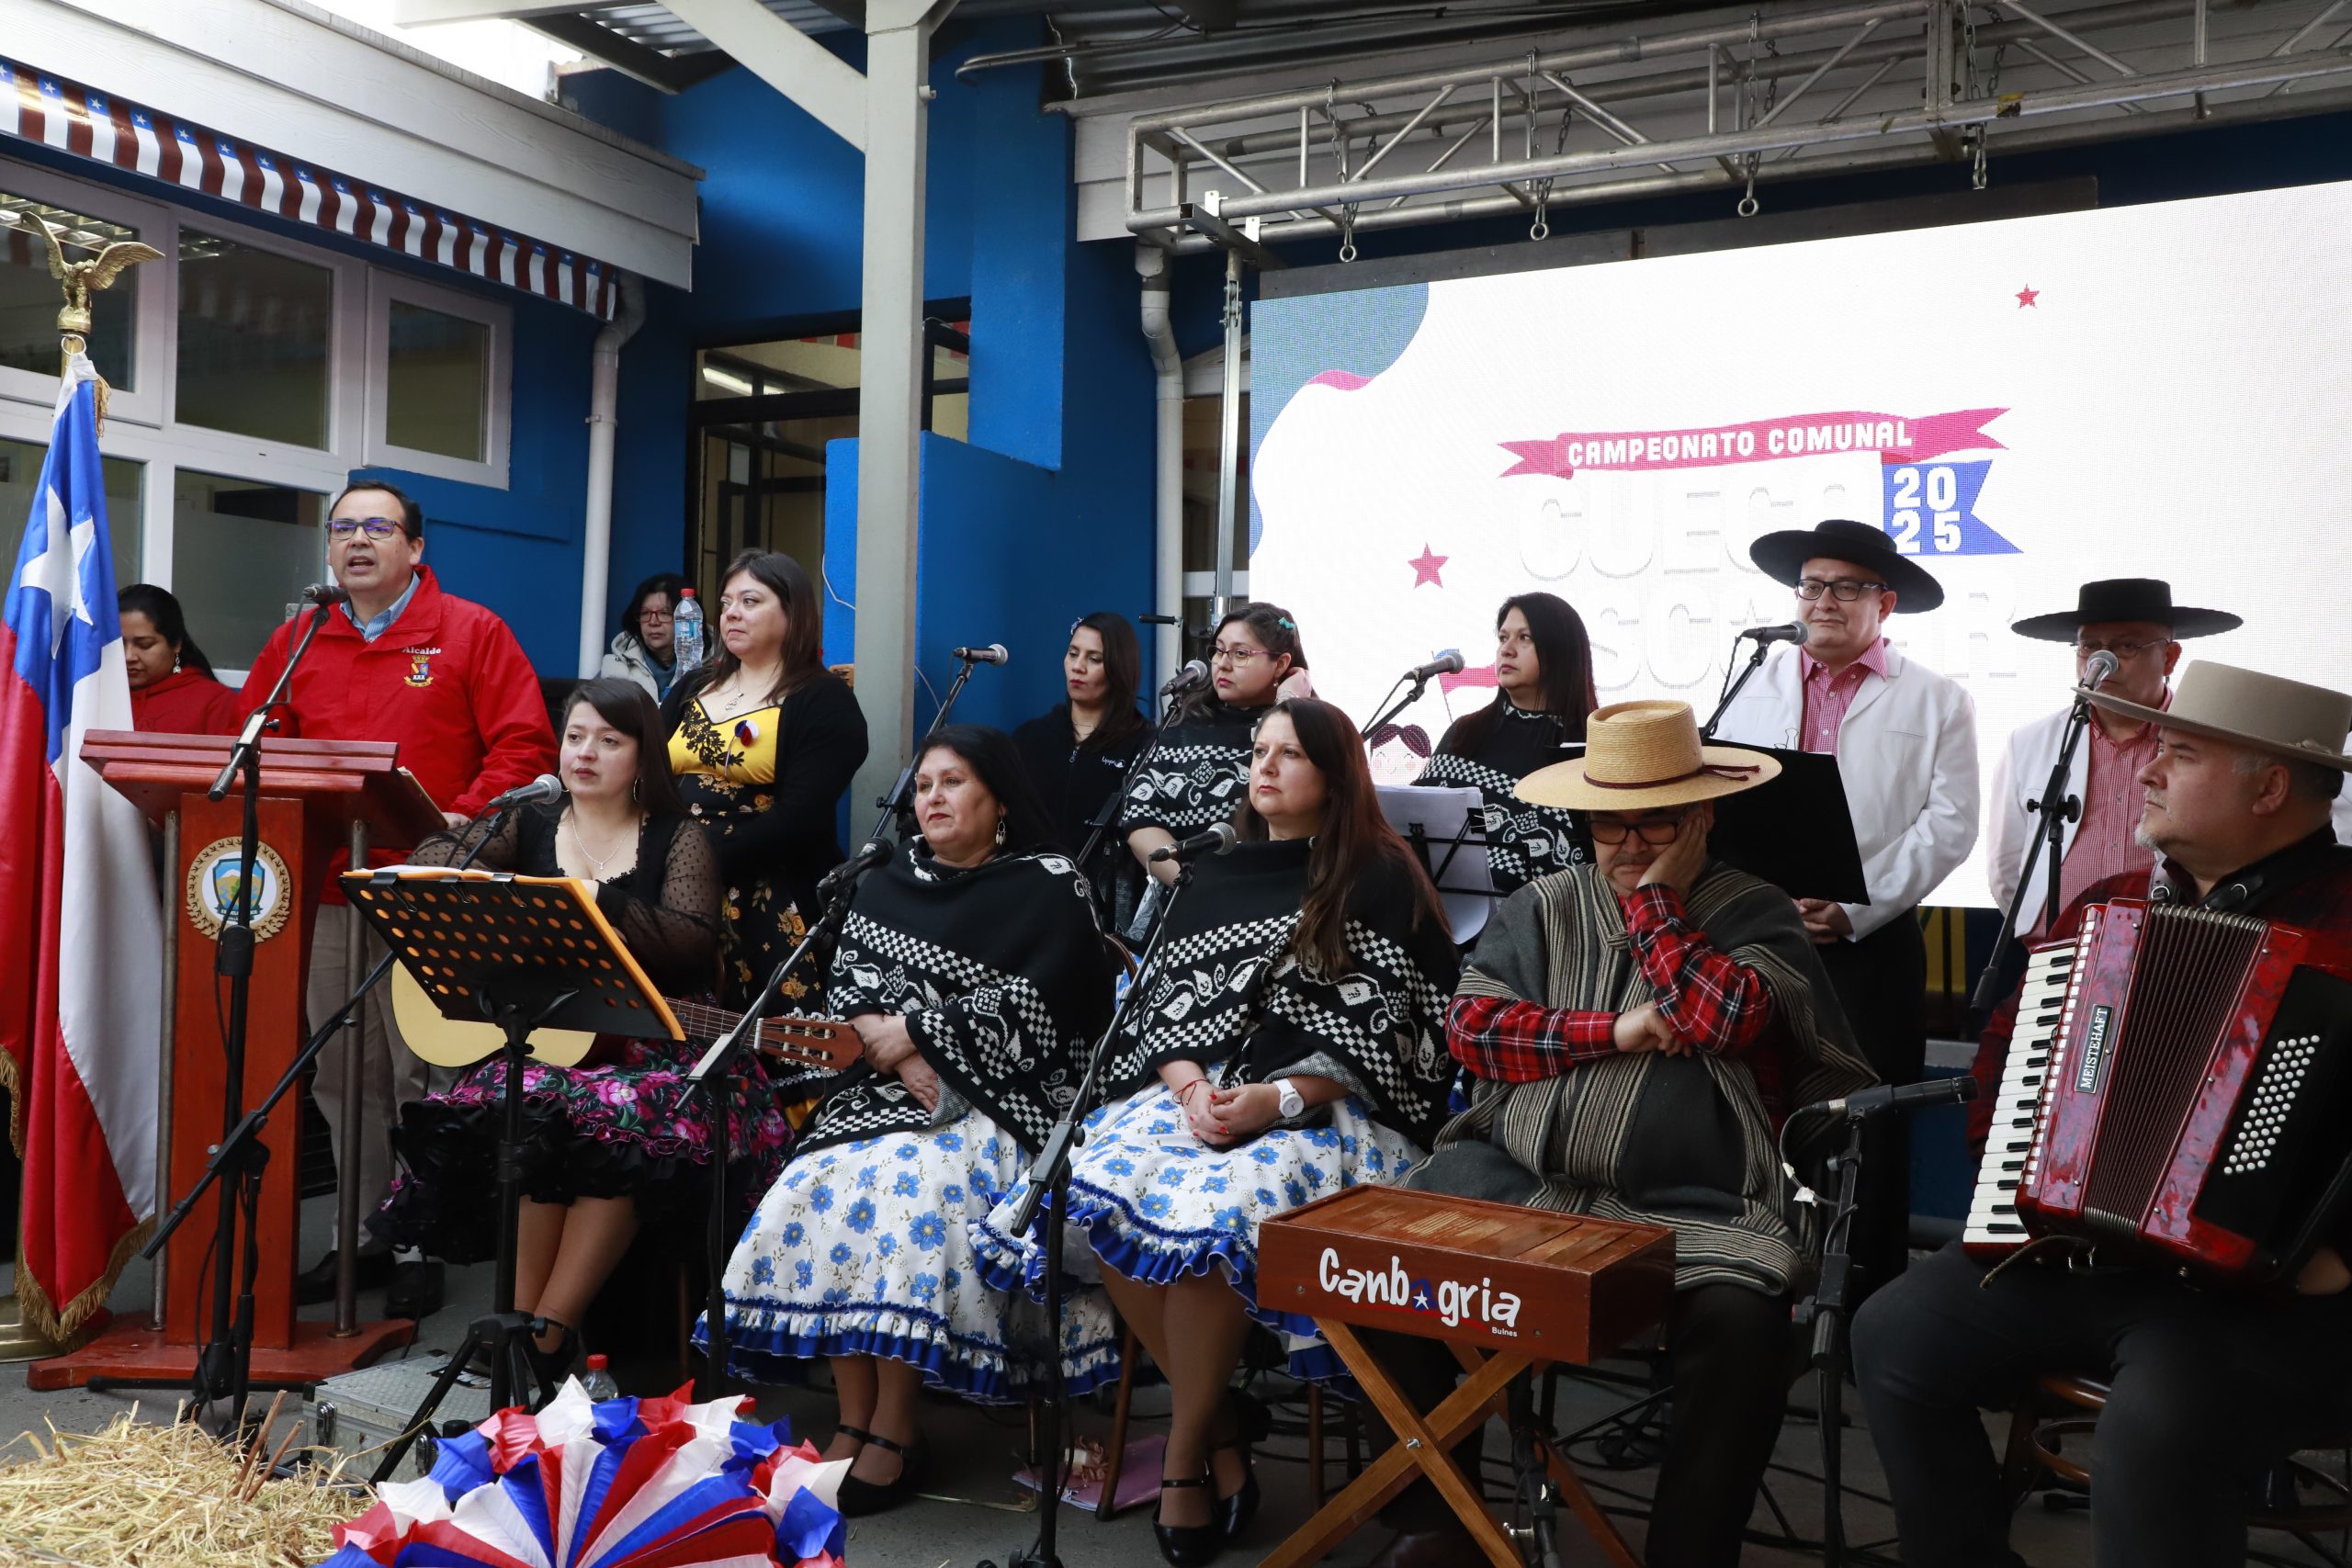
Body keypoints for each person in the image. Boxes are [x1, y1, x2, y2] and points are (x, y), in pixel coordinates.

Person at [1855, 660, 2352, 1568]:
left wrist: (2340, 1249)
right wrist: (2020, 1166)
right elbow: (2006, 1059)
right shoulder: (2111, 905)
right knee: (1893, 1333)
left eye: (2182, 753)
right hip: (2083, 1260)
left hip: (2272, 1303)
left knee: (2159, 1424)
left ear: (2270, 788)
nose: (2148, 770)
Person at [1358, 699, 1875, 1568]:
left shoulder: (1755, 910)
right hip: (1516, 1176)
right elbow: (1473, 1030)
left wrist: (1658, 906)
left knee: (1743, 1326)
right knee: (1379, 1268)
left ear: (1700, 816)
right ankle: (1443, 1521)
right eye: (1609, 825)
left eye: (1655, 823)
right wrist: (1615, 1030)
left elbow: (1715, 1017)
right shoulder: (1541, 904)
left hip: (1697, 1200)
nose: (1629, 844)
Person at [980, 698, 1459, 1568]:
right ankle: (1219, 1433)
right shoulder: (1215, 869)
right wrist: (1194, 1088)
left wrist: (1277, 1098)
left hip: (1324, 1115)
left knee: (1215, 1217)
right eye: (1259, 750)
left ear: (1335, 775)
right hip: (1196, 1099)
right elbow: (1160, 1014)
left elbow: (1398, 1034)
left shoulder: (1379, 876)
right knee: (1092, 1196)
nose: (1263, 766)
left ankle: (1183, 1456)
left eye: (1288, 754)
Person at [707, 726, 1118, 1516]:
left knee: (910, 1189)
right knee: (823, 1180)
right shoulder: (886, 879)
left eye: (953, 781)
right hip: (887, 1091)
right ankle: (853, 1416)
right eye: (923, 784)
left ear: (999, 797)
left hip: (1008, 1101)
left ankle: (896, 1426)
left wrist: (923, 1032)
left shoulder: (1048, 883)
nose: (932, 797)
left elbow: (1055, 1004)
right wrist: (896, 1052)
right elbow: (850, 993)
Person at [378, 679, 789, 1379]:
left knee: (613, 1121)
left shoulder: (678, 836)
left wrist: (597, 898)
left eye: (609, 740)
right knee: (534, 1109)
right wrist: (497, 894)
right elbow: (433, 860)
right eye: (575, 737)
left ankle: (545, 1333)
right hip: (550, 1040)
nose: (586, 753)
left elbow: (690, 943)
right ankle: (518, 1326)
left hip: (661, 1046)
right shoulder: (530, 820)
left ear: (643, 755)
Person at [240, 479, 557, 1310]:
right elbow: (257, 743)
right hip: (330, 886)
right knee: (344, 1071)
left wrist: (462, 819)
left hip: (428, 886)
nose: (357, 540)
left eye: (377, 527)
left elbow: (524, 748)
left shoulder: (470, 631)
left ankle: (425, 1236)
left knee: (425, 1069)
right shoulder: (299, 639)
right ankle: (360, 1235)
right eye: (343, 527)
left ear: (416, 548)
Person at [1710, 517, 1977, 1293]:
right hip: (1761, 938)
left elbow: (1951, 825)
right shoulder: (1752, 682)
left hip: (1871, 946)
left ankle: (1864, 1313)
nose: (1823, 600)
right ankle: (1753, 1293)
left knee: (1869, 1129)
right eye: (1812, 584)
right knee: (1754, 1115)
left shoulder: (1937, 699)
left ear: (1884, 603)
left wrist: (1856, 906)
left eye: (1845, 587)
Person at [662, 550, 867, 1009]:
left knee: (757, 1033)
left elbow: (799, 820)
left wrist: (696, 864)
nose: (732, 613)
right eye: (726, 602)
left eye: (750, 601)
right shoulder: (693, 686)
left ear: (793, 613)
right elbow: (646, 773)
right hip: (672, 881)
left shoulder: (823, 700)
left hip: (765, 887)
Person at [1987, 579, 2237, 939]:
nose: (2105, 662)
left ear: (2169, 657)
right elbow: (2006, 863)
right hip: (2056, 949)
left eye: (2128, 646)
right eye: (2089, 646)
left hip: (2171, 943)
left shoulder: (2208, 741)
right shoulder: (2030, 742)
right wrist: (2037, 935)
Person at [1119, 602, 1310, 896]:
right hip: (1186, 897)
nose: (1222, 663)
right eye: (1219, 651)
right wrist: (1195, 888)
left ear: (1281, 664)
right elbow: (1139, 817)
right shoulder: (1179, 726)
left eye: (1240, 653)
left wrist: (1288, 704)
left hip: (1273, 895)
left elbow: (1296, 816)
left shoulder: (1306, 731)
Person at [1415, 592, 1600, 894]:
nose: (1507, 650)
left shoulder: (1591, 748)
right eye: (1503, 638)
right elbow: (1420, 821)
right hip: (1446, 907)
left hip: (1548, 916)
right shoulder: (1465, 733)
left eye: (1524, 638)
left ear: (1561, 651)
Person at [1012, 612, 1156, 931]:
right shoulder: (1030, 737)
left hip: (1102, 917)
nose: (1078, 667)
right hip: (1026, 903)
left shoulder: (1145, 744)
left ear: (1119, 667)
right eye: (1073, 653)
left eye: (1094, 659)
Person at [118, 583, 240, 735]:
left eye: (145, 645)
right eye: (118, 646)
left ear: (176, 643)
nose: (128, 657)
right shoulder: (94, 693)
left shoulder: (215, 701)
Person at [602, 571, 690, 699]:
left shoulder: (710, 668)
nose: (653, 622)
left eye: (664, 613)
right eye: (645, 613)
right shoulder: (614, 669)